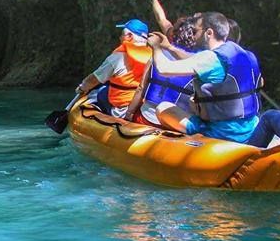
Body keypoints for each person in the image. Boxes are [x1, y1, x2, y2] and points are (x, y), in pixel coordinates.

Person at [148, 11, 263, 143]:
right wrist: (169, 47)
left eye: (196, 31)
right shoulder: (245, 55)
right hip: (250, 128)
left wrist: (156, 47)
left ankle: (193, 143)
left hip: (223, 133)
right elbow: (195, 61)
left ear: (209, 33)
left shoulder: (209, 58)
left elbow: (164, 69)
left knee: (163, 108)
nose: (193, 35)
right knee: (194, 102)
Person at [75, 19, 152, 118]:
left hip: (123, 109)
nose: (120, 38)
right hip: (145, 106)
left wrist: (82, 87)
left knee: (100, 92)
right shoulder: (154, 56)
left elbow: (93, 80)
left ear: (129, 36)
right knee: (106, 89)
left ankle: (100, 116)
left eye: (122, 35)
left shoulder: (118, 57)